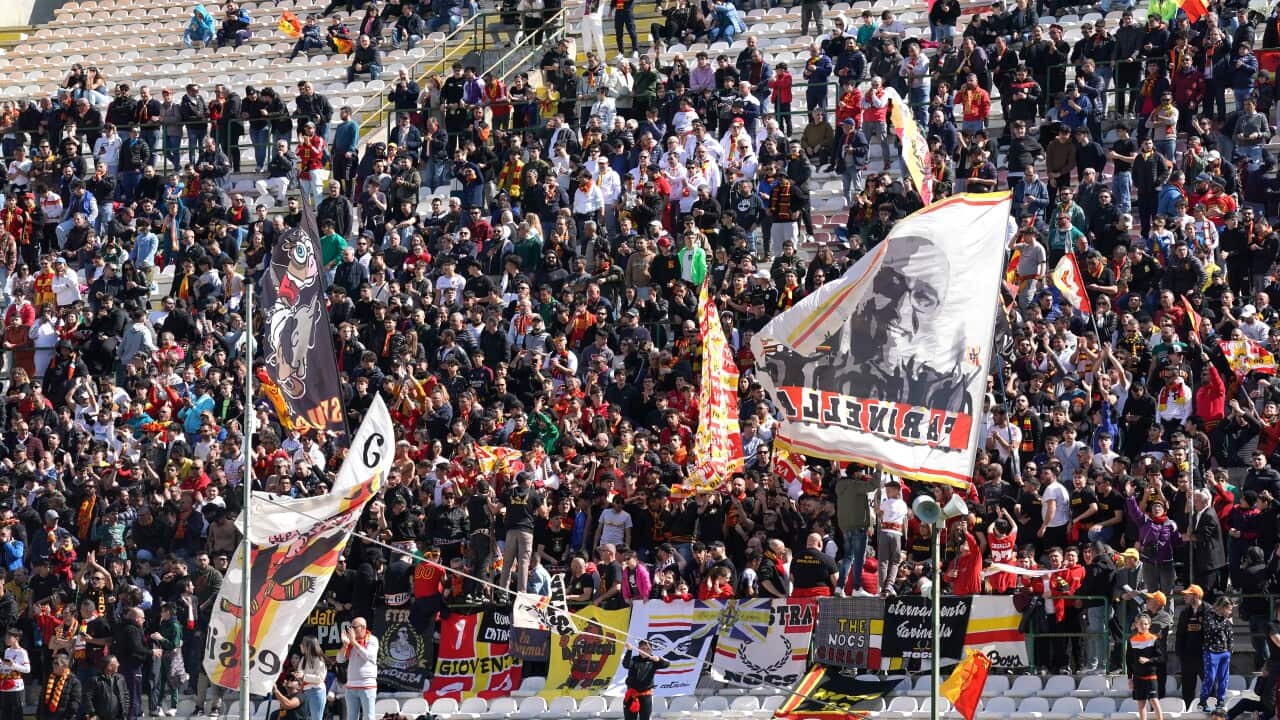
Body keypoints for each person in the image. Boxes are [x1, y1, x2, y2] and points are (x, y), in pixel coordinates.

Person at [336, 618, 377, 720]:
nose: (351, 630)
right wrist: (345, 645)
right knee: (351, 717)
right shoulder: (350, 642)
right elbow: (340, 659)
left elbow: (368, 656)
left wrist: (353, 642)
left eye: (354, 627)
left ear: (363, 627)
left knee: (368, 717)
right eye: (350, 627)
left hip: (367, 685)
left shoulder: (372, 640)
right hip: (351, 686)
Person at [1128, 614, 1165, 720]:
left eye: (1145, 624)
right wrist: (1130, 678)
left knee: (1154, 700)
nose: (1143, 626)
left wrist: (1148, 660)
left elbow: (1161, 658)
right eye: (1140, 624)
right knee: (1141, 704)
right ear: (1136, 625)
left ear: (1149, 625)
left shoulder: (1154, 639)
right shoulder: (1131, 640)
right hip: (1137, 677)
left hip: (1151, 676)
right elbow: (1129, 661)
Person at [621, 640, 670, 720]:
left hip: (645, 696)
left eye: (647, 649)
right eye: (642, 648)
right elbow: (626, 664)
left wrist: (659, 660)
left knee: (645, 718)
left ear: (651, 650)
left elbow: (667, 664)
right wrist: (629, 650)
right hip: (632, 694)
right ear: (638, 649)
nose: (644, 651)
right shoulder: (634, 659)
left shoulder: (654, 661)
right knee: (629, 718)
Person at [85, 656, 129, 720]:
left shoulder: (120, 679)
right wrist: (92, 713)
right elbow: (86, 697)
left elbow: (126, 696)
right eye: (116, 663)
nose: (118, 664)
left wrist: (125, 713)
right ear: (109, 666)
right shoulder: (95, 680)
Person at [0, 629, 29, 720]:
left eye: (9, 637)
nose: (6, 639)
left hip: (16, 686)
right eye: (6, 637)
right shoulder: (7, 651)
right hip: (5, 685)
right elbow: (6, 668)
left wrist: (13, 665)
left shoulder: (22, 652)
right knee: (5, 711)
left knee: (16, 712)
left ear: (16, 638)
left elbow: (27, 670)